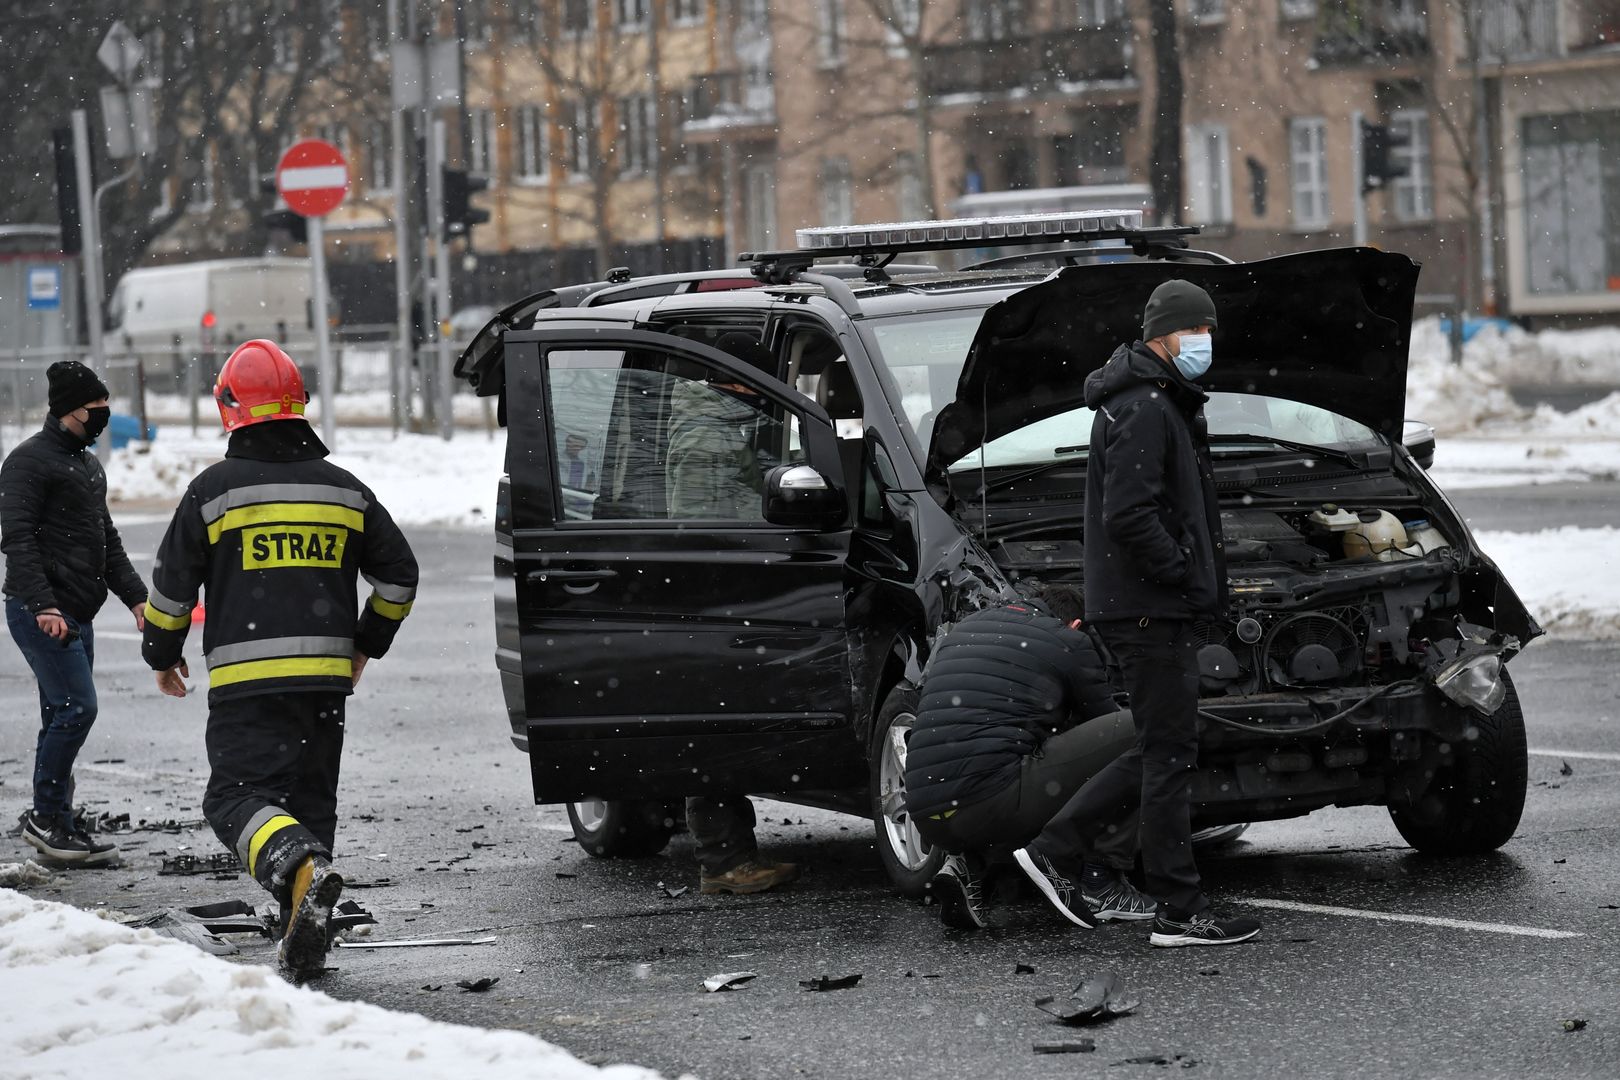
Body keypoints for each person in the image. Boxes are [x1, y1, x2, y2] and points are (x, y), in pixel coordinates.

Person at [142, 340, 418, 977]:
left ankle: (301, 872)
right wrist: (364, 645)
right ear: (300, 405)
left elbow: (171, 588)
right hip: (324, 683)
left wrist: (162, 652)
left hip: (247, 684)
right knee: (309, 802)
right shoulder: (345, 491)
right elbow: (400, 576)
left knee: (236, 797)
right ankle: (304, 912)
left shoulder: (212, 492)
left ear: (229, 408)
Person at [1049, 279, 1261, 948]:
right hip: (1147, 608)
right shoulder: (1143, 406)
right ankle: (1173, 905)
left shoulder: (1151, 401)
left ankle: (1080, 857)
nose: (1207, 343)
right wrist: (1183, 573)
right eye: (1197, 331)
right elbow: (1131, 513)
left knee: (1161, 746)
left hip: (1147, 607)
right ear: (1167, 335)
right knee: (1169, 751)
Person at [904, 583, 1144, 930]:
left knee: (991, 758)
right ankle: (1100, 883)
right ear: (1076, 624)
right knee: (1143, 731)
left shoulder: (964, 630)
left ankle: (967, 864)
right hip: (992, 800)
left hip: (926, 813)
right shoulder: (1068, 640)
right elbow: (1103, 728)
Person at [664, 336, 797, 896]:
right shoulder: (709, 437)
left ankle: (726, 857)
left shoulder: (719, 426)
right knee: (714, 733)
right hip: (713, 603)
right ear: (742, 382)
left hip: (717, 602)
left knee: (717, 729)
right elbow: (705, 524)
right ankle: (723, 863)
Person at [2, 361, 147, 865]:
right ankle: (46, 819)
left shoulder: (86, 464)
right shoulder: (27, 463)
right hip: (39, 609)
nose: (104, 416)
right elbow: (16, 541)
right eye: (97, 409)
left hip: (78, 611)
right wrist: (44, 604)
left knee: (59, 711)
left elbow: (106, 541)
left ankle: (56, 820)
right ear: (70, 410)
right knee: (76, 709)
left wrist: (137, 598)